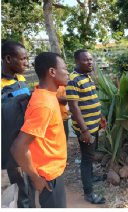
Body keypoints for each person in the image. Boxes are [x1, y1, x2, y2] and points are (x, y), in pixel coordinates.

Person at [10, 52, 70, 208]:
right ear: (51, 72)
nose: (68, 72)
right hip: (47, 176)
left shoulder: (47, 95)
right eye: (64, 68)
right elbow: (18, 148)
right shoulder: (44, 104)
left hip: (51, 170)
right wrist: (36, 178)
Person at [66, 49, 107, 204]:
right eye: (85, 60)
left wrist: (101, 117)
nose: (89, 62)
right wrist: (84, 131)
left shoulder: (86, 77)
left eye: (90, 60)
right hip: (86, 128)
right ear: (77, 61)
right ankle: (88, 193)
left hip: (93, 124)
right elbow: (74, 107)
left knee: (90, 155)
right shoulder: (74, 79)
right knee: (86, 158)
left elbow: (92, 101)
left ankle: (90, 177)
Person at [1, 40, 35, 208]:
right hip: (12, 143)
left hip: (26, 138)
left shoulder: (21, 78)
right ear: (8, 59)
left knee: (31, 179)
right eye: (23, 59)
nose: (26, 63)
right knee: (21, 185)